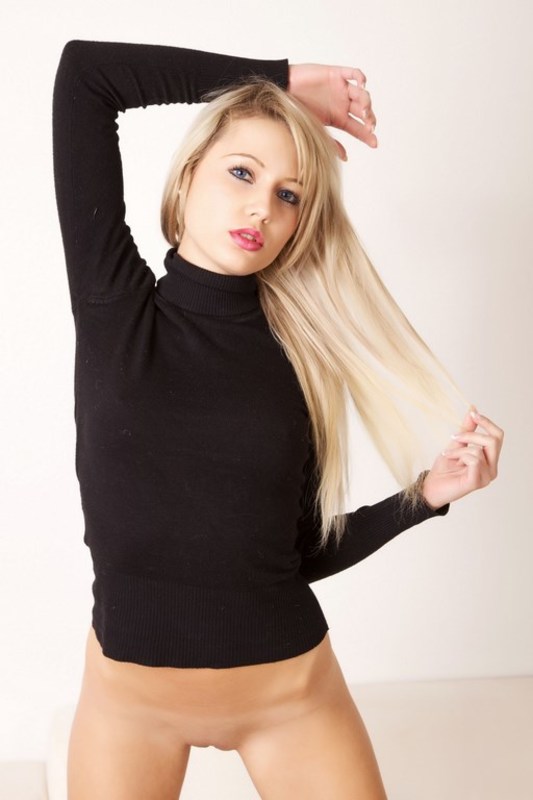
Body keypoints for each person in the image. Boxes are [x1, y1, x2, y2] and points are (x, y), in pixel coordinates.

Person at [52, 39, 503, 800]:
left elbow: (294, 552)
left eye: (289, 194)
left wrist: (423, 497)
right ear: (189, 176)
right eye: (242, 173)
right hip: (129, 707)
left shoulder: (301, 355)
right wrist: (285, 81)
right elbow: (86, 76)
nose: (262, 206)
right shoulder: (115, 309)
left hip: (290, 698)